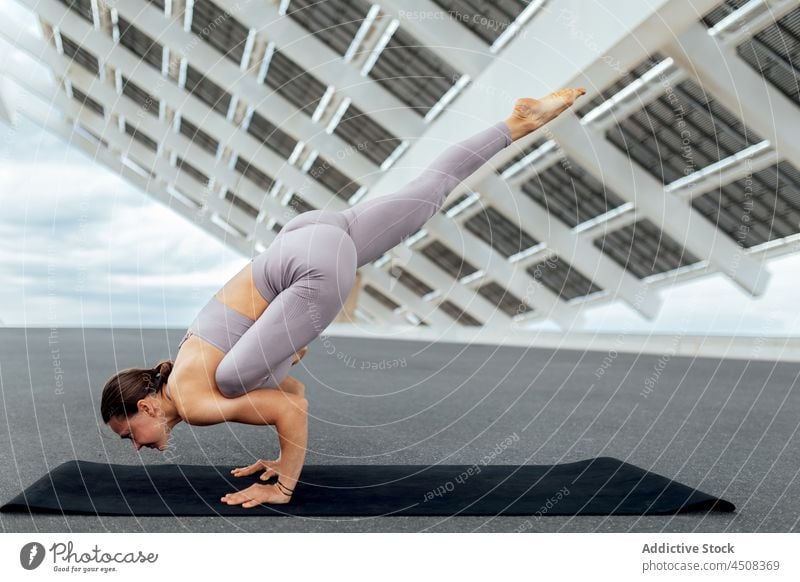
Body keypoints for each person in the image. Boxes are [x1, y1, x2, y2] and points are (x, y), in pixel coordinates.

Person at [100, 88, 587, 508]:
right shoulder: (185, 362)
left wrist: (283, 484)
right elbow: (293, 396)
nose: (137, 448)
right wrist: (280, 421)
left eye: (130, 439)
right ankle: (518, 122)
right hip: (308, 235)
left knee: (234, 379)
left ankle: (289, 356)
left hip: (307, 269)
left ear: (146, 408)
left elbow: (292, 410)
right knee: (429, 190)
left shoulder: (197, 401)